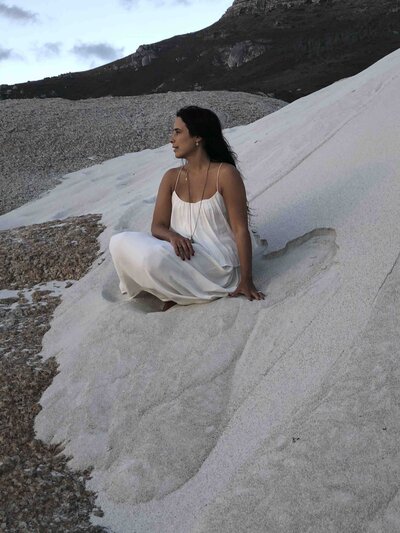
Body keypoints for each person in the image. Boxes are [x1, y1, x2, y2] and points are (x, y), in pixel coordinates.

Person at [109, 105, 264, 311]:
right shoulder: (171, 177)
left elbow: (240, 229)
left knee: (154, 258)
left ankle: (177, 290)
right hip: (183, 252)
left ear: (197, 137)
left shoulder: (225, 174)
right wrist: (173, 237)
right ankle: (177, 287)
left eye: (178, 132)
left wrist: (247, 279)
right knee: (118, 242)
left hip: (217, 262)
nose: (171, 139)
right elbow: (158, 226)